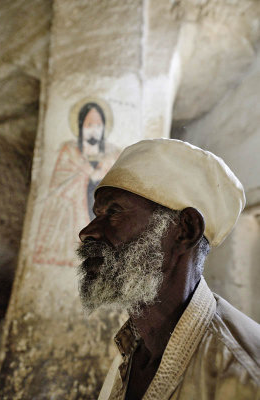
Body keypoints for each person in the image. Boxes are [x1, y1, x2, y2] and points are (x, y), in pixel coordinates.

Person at [77, 139, 260, 399]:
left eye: (114, 212)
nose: (86, 233)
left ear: (186, 230)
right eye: (97, 214)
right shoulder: (132, 349)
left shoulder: (243, 374)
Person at [33, 102, 118, 267]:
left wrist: (99, 175)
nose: (94, 130)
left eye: (98, 125)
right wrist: (84, 174)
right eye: (89, 124)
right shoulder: (69, 151)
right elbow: (57, 185)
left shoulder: (113, 155)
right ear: (80, 126)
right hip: (74, 213)